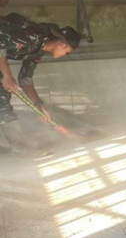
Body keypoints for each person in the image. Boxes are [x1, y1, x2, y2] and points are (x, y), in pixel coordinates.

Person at [0, 12, 80, 153]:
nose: (64, 55)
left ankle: (19, 145)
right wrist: (7, 76)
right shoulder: (33, 36)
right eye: (67, 52)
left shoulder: (38, 50)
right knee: (2, 98)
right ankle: (20, 147)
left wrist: (39, 105)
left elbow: (25, 79)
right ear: (62, 45)